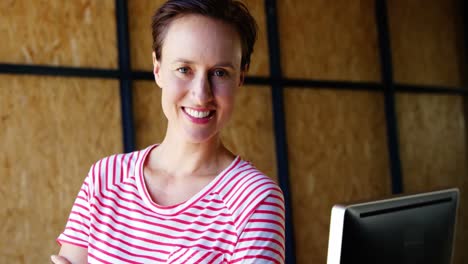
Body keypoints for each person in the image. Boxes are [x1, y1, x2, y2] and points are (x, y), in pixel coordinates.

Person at [51, 0, 285, 263]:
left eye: (219, 73)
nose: (201, 94)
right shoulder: (105, 179)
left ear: (240, 77)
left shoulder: (255, 200)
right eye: (184, 69)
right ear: (158, 69)